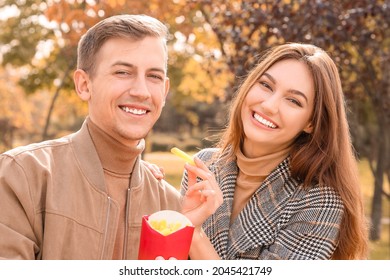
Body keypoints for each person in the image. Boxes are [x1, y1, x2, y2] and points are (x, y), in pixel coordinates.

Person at [0, 14, 220, 260]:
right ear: (84, 85)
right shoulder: (22, 176)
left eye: (154, 76)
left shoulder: (171, 207)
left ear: (165, 91)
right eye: (123, 72)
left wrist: (190, 229)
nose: (141, 91)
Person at [180, 43, 369, 260]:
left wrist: (193, 233)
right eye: (266, 85)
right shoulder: (204, 165)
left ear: (311, 123)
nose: (269, 105)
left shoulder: (319, 202)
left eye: (293, 101)